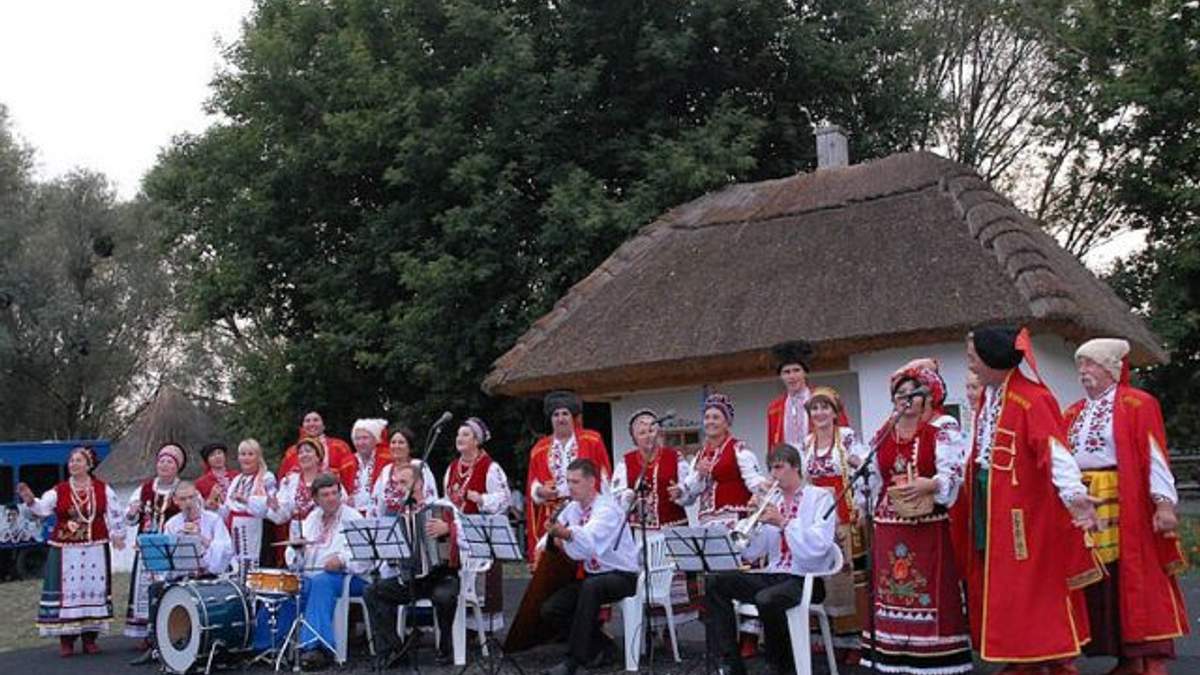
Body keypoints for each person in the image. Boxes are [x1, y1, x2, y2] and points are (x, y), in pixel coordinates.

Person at [957, 325, 1102, 673]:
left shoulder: (1032, 398)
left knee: (1034, 586)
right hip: (989, 504)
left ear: (991, 359)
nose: (970, 364)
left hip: (1023, 512)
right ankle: (1022, 657)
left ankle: (1055, 659)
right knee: (1003, 585)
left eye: (973, 357)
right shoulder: (991, 397)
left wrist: (1075, 496)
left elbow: (1055, 450)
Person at [1064, 338, 1188, 675]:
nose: (1083, 371)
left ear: (1111, 368)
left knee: (1128, 575)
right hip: (1086, 503)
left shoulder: (1137, 403)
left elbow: (1155, 455)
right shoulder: (1073, 411)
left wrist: (1163, 504)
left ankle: (1140, 659)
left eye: (1090, 363)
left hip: (1125, 500)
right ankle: (1115, 652)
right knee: (1095, 578)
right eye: (1080, 364)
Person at [857, 365, 973, 674]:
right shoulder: (884, 432)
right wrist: (862, 504)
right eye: (900, 394)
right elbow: (873, 477)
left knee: (927, 586)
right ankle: (892, 651)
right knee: (891, 588)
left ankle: (936, 653)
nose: (906, 399)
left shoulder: (941, 429)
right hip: (888, 525)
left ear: (928, 398)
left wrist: (931, 484)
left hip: (927, 524)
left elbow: (953, 472)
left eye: (913, 393)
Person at [704, 444, 838, 675]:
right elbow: (753, 553)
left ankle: (783, 667)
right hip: (775, 574)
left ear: (796, 467)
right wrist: (752, 522)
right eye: (771, 469)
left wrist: (783, 523)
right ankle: (731, 663)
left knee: (766, 599)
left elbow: (819, 545)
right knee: (716, 582)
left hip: (806, 577)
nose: (774, 474)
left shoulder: (820, 498)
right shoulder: (773, 500)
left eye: (779, 467)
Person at [17, 446, 126, 657]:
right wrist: (31, 501)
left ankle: (90, 639)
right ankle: (66, 641)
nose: (73, 464)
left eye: (78, 460)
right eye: (71, 461)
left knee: (92, 590)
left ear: (89, 465)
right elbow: (42, 509)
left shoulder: (103, 489)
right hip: (66, 550)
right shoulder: (59, 490)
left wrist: (118, 534)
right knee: (68, 594)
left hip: (94, 547)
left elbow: (115, 513)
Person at [539, 459, 640, 675]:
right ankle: (603, 647)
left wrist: (565, 535)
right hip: (594, 577)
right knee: (552, 609)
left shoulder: (607, 509)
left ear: (592, 482)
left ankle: (573, 661)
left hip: (622, 575)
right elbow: (552, 533)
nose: (570, 487)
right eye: (568, 481)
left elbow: (589, 542)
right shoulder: (573, 508)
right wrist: (547, 542)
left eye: (575, 482)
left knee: (591, 587)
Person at [611, 409, 697, 642]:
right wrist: (627, 496)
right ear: (634, 437)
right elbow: (616, 494)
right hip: (641, 532)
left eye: (651, 430)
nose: (648, 435)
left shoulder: (675, 458)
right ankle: (648, 629)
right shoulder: (626, 462)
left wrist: (680, 492)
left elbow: (690, 493)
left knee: (672, 582)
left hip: (672, 527)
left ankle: (671, 630)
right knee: (645, 579)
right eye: (642, 432)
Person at [363, 462, 460, 668]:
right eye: (397, 483)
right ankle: (395, 650)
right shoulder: (398, 515)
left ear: (419, 483)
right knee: (373, 592)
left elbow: (467, 536)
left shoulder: (443, 507)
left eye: (404, 482)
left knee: (444, 597)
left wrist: (449, 528)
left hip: (441, 576)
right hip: (411, 578)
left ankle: (446, 648)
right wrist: (391, 553)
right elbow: (391, 556)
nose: (399, 488)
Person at [131, 481, 235, 665]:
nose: (188, 503)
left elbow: (226, 550)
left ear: (197, 497)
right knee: (155, 589)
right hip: (183, 576)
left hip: (208, 575)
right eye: (183, 499)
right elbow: (167, 558)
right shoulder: (172, 523)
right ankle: (156, 645)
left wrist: (201, 538)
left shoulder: (213, 520)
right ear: (176, 501)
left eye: (191, 498)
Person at [802, 386, 868, 660]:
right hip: (818, 517)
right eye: (814, 408)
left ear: (835, 412)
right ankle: (828, 637)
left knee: (847, 577)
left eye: (824, 407)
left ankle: (855, 640)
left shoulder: (847, 437)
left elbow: (864, 469)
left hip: (843, 513)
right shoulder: (807, 443)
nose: (819, 413)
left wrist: (860, 503)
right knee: (822, 577)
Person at [525, 390, 612, 560]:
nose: (560, 418)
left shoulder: (592, 440)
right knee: (554, 562)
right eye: (556, 414)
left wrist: (605, 508)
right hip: (553, 514)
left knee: (584, 554)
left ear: (573, 417)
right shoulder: (539, 449)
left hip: (586, 509)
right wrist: (541, 491)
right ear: (551, 419)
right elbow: (532, 485)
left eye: (565, 413)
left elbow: (604, 478)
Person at [445, 417, 511, 631]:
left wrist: (481, 499)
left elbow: (504, 499)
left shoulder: (490, 467)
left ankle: (484, 631)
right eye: (458, 434)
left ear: (476, 441)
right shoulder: (453, 467)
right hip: (458, 536)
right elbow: (448, 499)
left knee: (483, 586)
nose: (459, 438)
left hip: (481, 537)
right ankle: (463, 630)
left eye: (465, 434)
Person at [123, 443, 185, 641]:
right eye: (161, 461)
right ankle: (146, 633)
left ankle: (169, 631)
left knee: (169, 587)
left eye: (169, 462)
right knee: (145, 588)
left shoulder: (183, 489)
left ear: (177, 467)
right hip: (147, 548)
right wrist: (132, 512)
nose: (164, 465)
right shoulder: (144, 489)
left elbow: (194, 512)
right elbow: (130, 519)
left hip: (171, 548)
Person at [680, 393, 767, 524]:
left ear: (727, 423)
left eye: (716, 417)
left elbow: (754, 481)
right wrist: (699, 475)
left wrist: (767, 487)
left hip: (734, 520)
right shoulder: (699, 456)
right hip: (706, 523)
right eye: (707, 417)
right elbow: (690, 495)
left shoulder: (739, 450)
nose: (710, 422)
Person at [270, 437, 344, 547]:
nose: (304, 455)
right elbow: (282, 515)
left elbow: (340, 505)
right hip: (297, 534)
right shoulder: (289, 481)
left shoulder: (329, 479)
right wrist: (276, 507)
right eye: (300, 453)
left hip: (323, 531)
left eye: (308, 451)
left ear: (318, 457)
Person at [219, 438, 277, 569]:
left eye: (250, 454)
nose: (246, 458)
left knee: (254, 565)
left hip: (257, 527)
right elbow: (228, 508)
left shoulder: (266, 478)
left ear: (258, 457)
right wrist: (216, 506)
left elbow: (269, 507)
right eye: (243, 454)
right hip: (235, 528)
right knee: (237, 564)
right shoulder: (237, 479)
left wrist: (246, 500)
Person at [277, 410, 357, 489]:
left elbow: (350, 476)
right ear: (302, 426)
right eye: (307, 421)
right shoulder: (292, 452)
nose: (311, 424)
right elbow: (283, 479)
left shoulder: (339, 447)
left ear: (324, 425)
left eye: (316, 420)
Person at [371, 426, 439, 516]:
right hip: (389, 520)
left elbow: (430, 496)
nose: (396, 446)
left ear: (409, 446)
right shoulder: (386, 470)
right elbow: (376, 501)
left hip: (416, 518)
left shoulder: (419, 466)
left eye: (401, 442)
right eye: (393, 442)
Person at [767, 340, 816, 449]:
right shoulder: (774, 408)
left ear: (805, 372)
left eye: (796, 370)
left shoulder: (824, 399)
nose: (792, 376)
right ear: (781, 376)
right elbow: (772, 446)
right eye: (786, 372)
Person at [347, 418, 392, 515]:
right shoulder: (347, 463)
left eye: (365, 438)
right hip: (353, 514)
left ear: (375, 439)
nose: (361, 443)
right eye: (357, 439)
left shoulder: (386, 459)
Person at [195, 443, 238, 510]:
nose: (217, 457)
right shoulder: (201, 482)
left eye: (219, 453)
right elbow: (198, 507)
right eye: (212, 455)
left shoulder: (237, 476)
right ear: (207, 460)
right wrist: (211, 499)